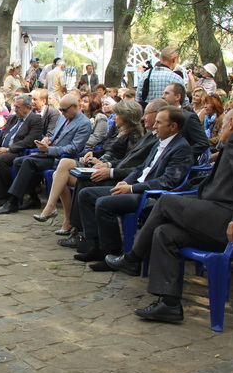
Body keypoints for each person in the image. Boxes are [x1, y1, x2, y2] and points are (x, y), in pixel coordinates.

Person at [102, 108, 233, 323]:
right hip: (219, 216)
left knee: (166, 202)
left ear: (232, 122)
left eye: (224, 122)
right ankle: (169, 304)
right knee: (165, 232)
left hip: (229, 222)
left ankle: (133, 259)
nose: (222, 127)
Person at [76, 106, 193, 262]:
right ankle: (97, 245)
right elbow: (140, 168)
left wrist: (131, 188)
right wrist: (126, 181)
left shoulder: (181, 148)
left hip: (148, 196)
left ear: (173, 127)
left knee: (104, 203)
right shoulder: (160, 142)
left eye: (159, 123)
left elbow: (168, 181)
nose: (155, 126)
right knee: (86, 194)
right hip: (136, 187)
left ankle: (112, 251)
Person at [35, 100, 152, 239]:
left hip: (107, 171)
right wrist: (94, 154)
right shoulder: (118, 131)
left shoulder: (134, 136)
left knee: (64, 167)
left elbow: (127, 161)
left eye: (118, 115)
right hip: (99, 164)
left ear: (126, 117)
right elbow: (106, 149)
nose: (114, 117)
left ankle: (56, 212)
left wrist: (106, 164)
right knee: (58, 176)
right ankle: (66, 221)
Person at [0, 94, 92, 214]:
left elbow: (74, 148)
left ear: (75, 106)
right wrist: (47, 140)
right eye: (60, 109)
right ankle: (33, 198)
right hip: (49, 153)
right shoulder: (63, 117)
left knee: (28, 162)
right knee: (18, 161)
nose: (62, 112)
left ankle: (13, 201)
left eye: (64, 110)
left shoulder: (84, 123)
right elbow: (54, 136)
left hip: (63, 160)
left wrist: (49, 149)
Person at [0, 95, 43, 203]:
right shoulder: (12, 118)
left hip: (17, 151)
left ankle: (4, 196)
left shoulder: (35, 120)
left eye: (18, 107)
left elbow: (29, 141)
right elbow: (1, 135)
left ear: (28, 108)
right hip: (2, 149)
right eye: (14, 106)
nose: (15, 109)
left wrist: (8, 149)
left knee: (1, 160)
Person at [160, 83, 210, 160]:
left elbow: (202, 143)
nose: (163, 96)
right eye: (163, 93)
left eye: (167, 93)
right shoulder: (160, 116)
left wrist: (182, 156)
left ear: (177, 97)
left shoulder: (188, 117)